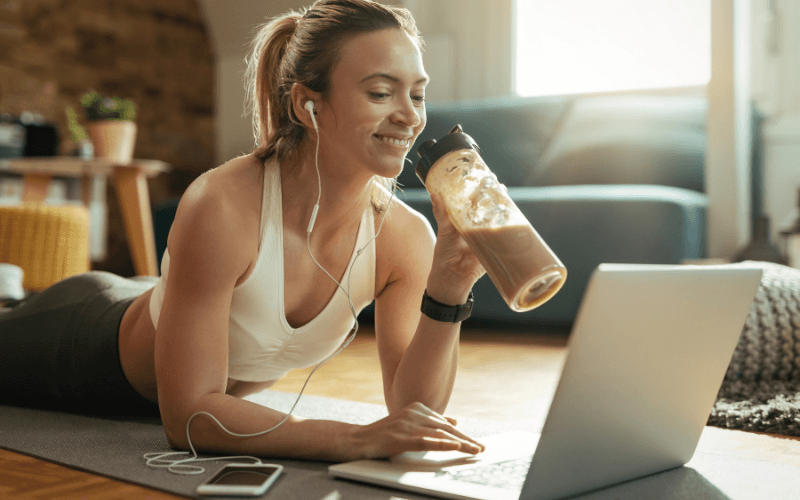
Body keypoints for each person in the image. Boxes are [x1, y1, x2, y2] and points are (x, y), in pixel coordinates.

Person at [0, 0, 487, 463]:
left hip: (163, 304)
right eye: (381, 93)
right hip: (87, 341)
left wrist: (448, 290)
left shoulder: (404, 237)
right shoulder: (223, 206)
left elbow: (416, 414)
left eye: (417, 93)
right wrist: (353, 439)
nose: (410, 115)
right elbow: (187, 414)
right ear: (308, 106)